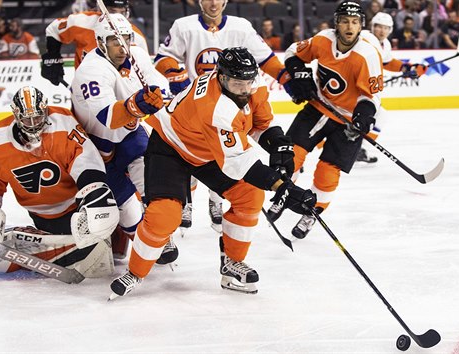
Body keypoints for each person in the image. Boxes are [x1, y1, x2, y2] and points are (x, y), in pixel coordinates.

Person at [108, 47, 316, 299]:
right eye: (237, 83)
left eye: (247, 82)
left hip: (207, 150)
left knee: (250, 197)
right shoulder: (215, 108)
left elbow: (260, 124)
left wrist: (279, 145)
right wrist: (282, 186)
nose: (244, 89)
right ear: (221, 77)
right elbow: (240, 163)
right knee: (165, 216)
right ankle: (135, 272)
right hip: (171, 148)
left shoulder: (253, 86)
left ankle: (231, 264)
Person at [153, 0, 293, 238]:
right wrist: (176, 75)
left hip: (230, 106)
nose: (213, 2)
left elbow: (265, 58)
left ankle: (216, 199)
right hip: (196, 106)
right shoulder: (183, 26)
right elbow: (163, 58)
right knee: (191, 152)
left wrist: (286, 78)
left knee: (225, 157)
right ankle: (186, 200)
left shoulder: (241, 27)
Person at [0, 86, 120, 279]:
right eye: (27, 119)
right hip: (41, 215)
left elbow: (85, 159)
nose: (33, 124)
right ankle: (49, 242)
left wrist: (93, 193)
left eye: (38, 117)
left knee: (99, 251)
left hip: (76, 210)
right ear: (16, 116)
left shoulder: (63, 122)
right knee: (3, 260)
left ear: (46, 110)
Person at [71, 13, 170, 261]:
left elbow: (155, 79)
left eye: (125, 39)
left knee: (152, 180)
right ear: (100, 43)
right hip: (93, 145)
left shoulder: (134, 54)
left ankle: (158, 235)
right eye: (115, 41)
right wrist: (139, 106)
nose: (122, 47)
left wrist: (158, 92)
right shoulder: (91, 70)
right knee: (126, 203)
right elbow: (108, 117)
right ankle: (142, 246)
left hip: (127, 134)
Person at [282, 2, 382, 239]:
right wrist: (299, 73)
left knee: (327, 172)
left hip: (347, 120)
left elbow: (372, 95)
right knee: (289, 154)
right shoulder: (322, 40)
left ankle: (312, 213)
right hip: (319, 107)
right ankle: (284, 193)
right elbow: (292, 53)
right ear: (336, 23)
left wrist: (364, 115)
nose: (350, 26)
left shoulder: (367, 54)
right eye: (345, 21)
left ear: (361, 26)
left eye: (355, 22)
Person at [357, 12, 426, 164]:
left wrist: (407, 68)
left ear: (390, 30)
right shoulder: (365, 38)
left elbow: (386, 62)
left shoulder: (385, 44)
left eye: (386, 28)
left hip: (364, 89)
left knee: (380, 115)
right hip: (354, 87)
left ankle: (358, 149)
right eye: (379, 27)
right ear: (372, 26)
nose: (382, 30)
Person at [41, 0, 149, 86]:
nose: (117, 17)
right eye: (112, 11)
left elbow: (145, 72)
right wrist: (52, 57)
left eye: (122, 12)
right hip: (84, 91)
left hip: (120, 95)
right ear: (101, 9)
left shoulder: (137, 37)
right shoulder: (82, 22)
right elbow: (54, 29)